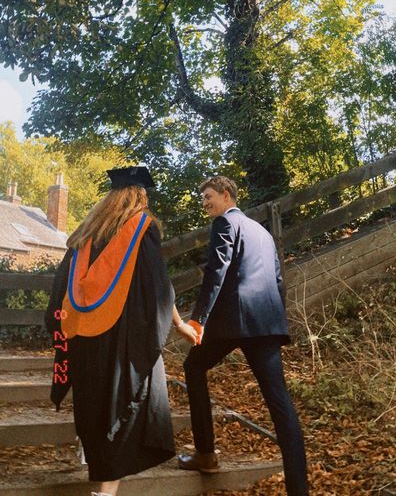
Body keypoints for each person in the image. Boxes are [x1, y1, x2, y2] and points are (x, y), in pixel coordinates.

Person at [44, 166, 197, 496]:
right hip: (120, 338)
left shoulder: (87, 233)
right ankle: (106, 492)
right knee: (124, 404)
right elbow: (159, 286)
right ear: (140, 195)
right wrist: (179, 323)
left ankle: (89, 451)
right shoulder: (142, 229)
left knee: (91, 400)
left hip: (84, 336)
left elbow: (61, 287)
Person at [178, 176, 309, 496]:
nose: (205, 203)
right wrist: (278, 323)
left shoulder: (225, 223)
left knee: (193, 368)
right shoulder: (262, 232)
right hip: (265, 323)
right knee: (281, 406)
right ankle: (299, 491)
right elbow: (278, 280)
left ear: (226, 195)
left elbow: (217, 270)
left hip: (233, 322)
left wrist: (198, 321)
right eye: (203, 198)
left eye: (208, 196)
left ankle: (206, 454)